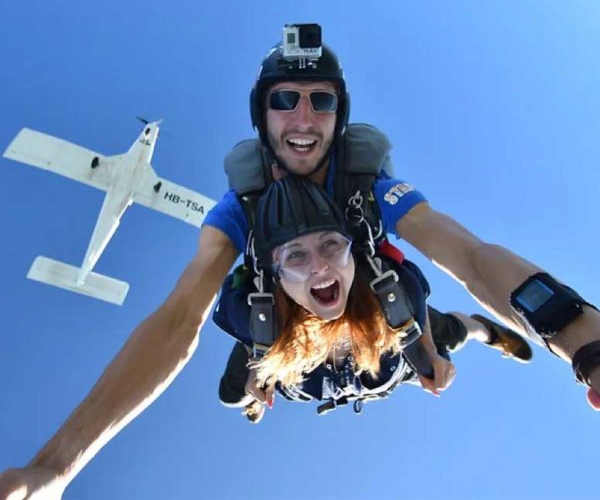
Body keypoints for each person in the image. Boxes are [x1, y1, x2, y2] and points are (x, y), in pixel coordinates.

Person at [2, 25, 600, 499]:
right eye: (284, 100)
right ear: (261, 116)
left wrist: (582, 340)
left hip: (376, 324)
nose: (304, 119)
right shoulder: (240, 210)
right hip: (291, 348)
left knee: (429, 335)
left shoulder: (370, 188)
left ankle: (479, 330)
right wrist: (54, 467)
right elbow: (178, 319)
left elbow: (467, 253)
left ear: (341, 116)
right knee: (238, 382)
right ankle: (261, 388)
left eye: (323, 102)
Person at [216, 175, 532, 423]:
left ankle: (485, 330)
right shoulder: (254, 316)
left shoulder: (393, 296)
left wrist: (431, 352)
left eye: (330, 245)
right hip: (304, 367)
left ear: (352, 252)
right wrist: (259, 373)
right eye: (296, 256)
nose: (319, 267)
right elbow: (244, 328)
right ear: (277, 275)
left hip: (389, 352)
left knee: (452, 332)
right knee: (232, 396)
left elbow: (415, 303)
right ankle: (255, 393)